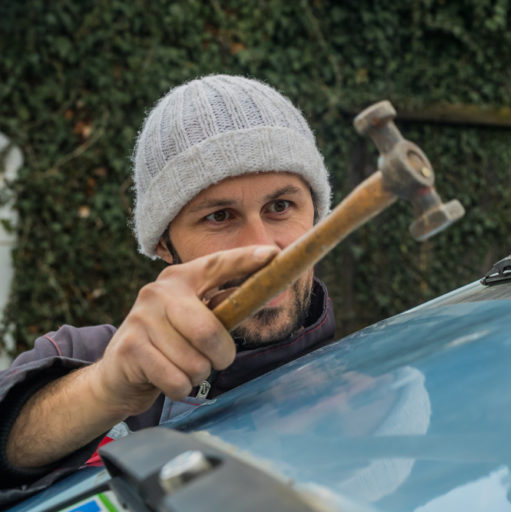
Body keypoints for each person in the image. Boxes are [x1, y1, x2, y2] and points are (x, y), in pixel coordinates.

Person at [0, 75, 336, 502]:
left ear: (315, 216)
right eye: (219, 216)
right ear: (163, 243)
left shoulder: (365, 386)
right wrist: (106, 388)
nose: (261, 248)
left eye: (280, 207)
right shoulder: (76, 358)